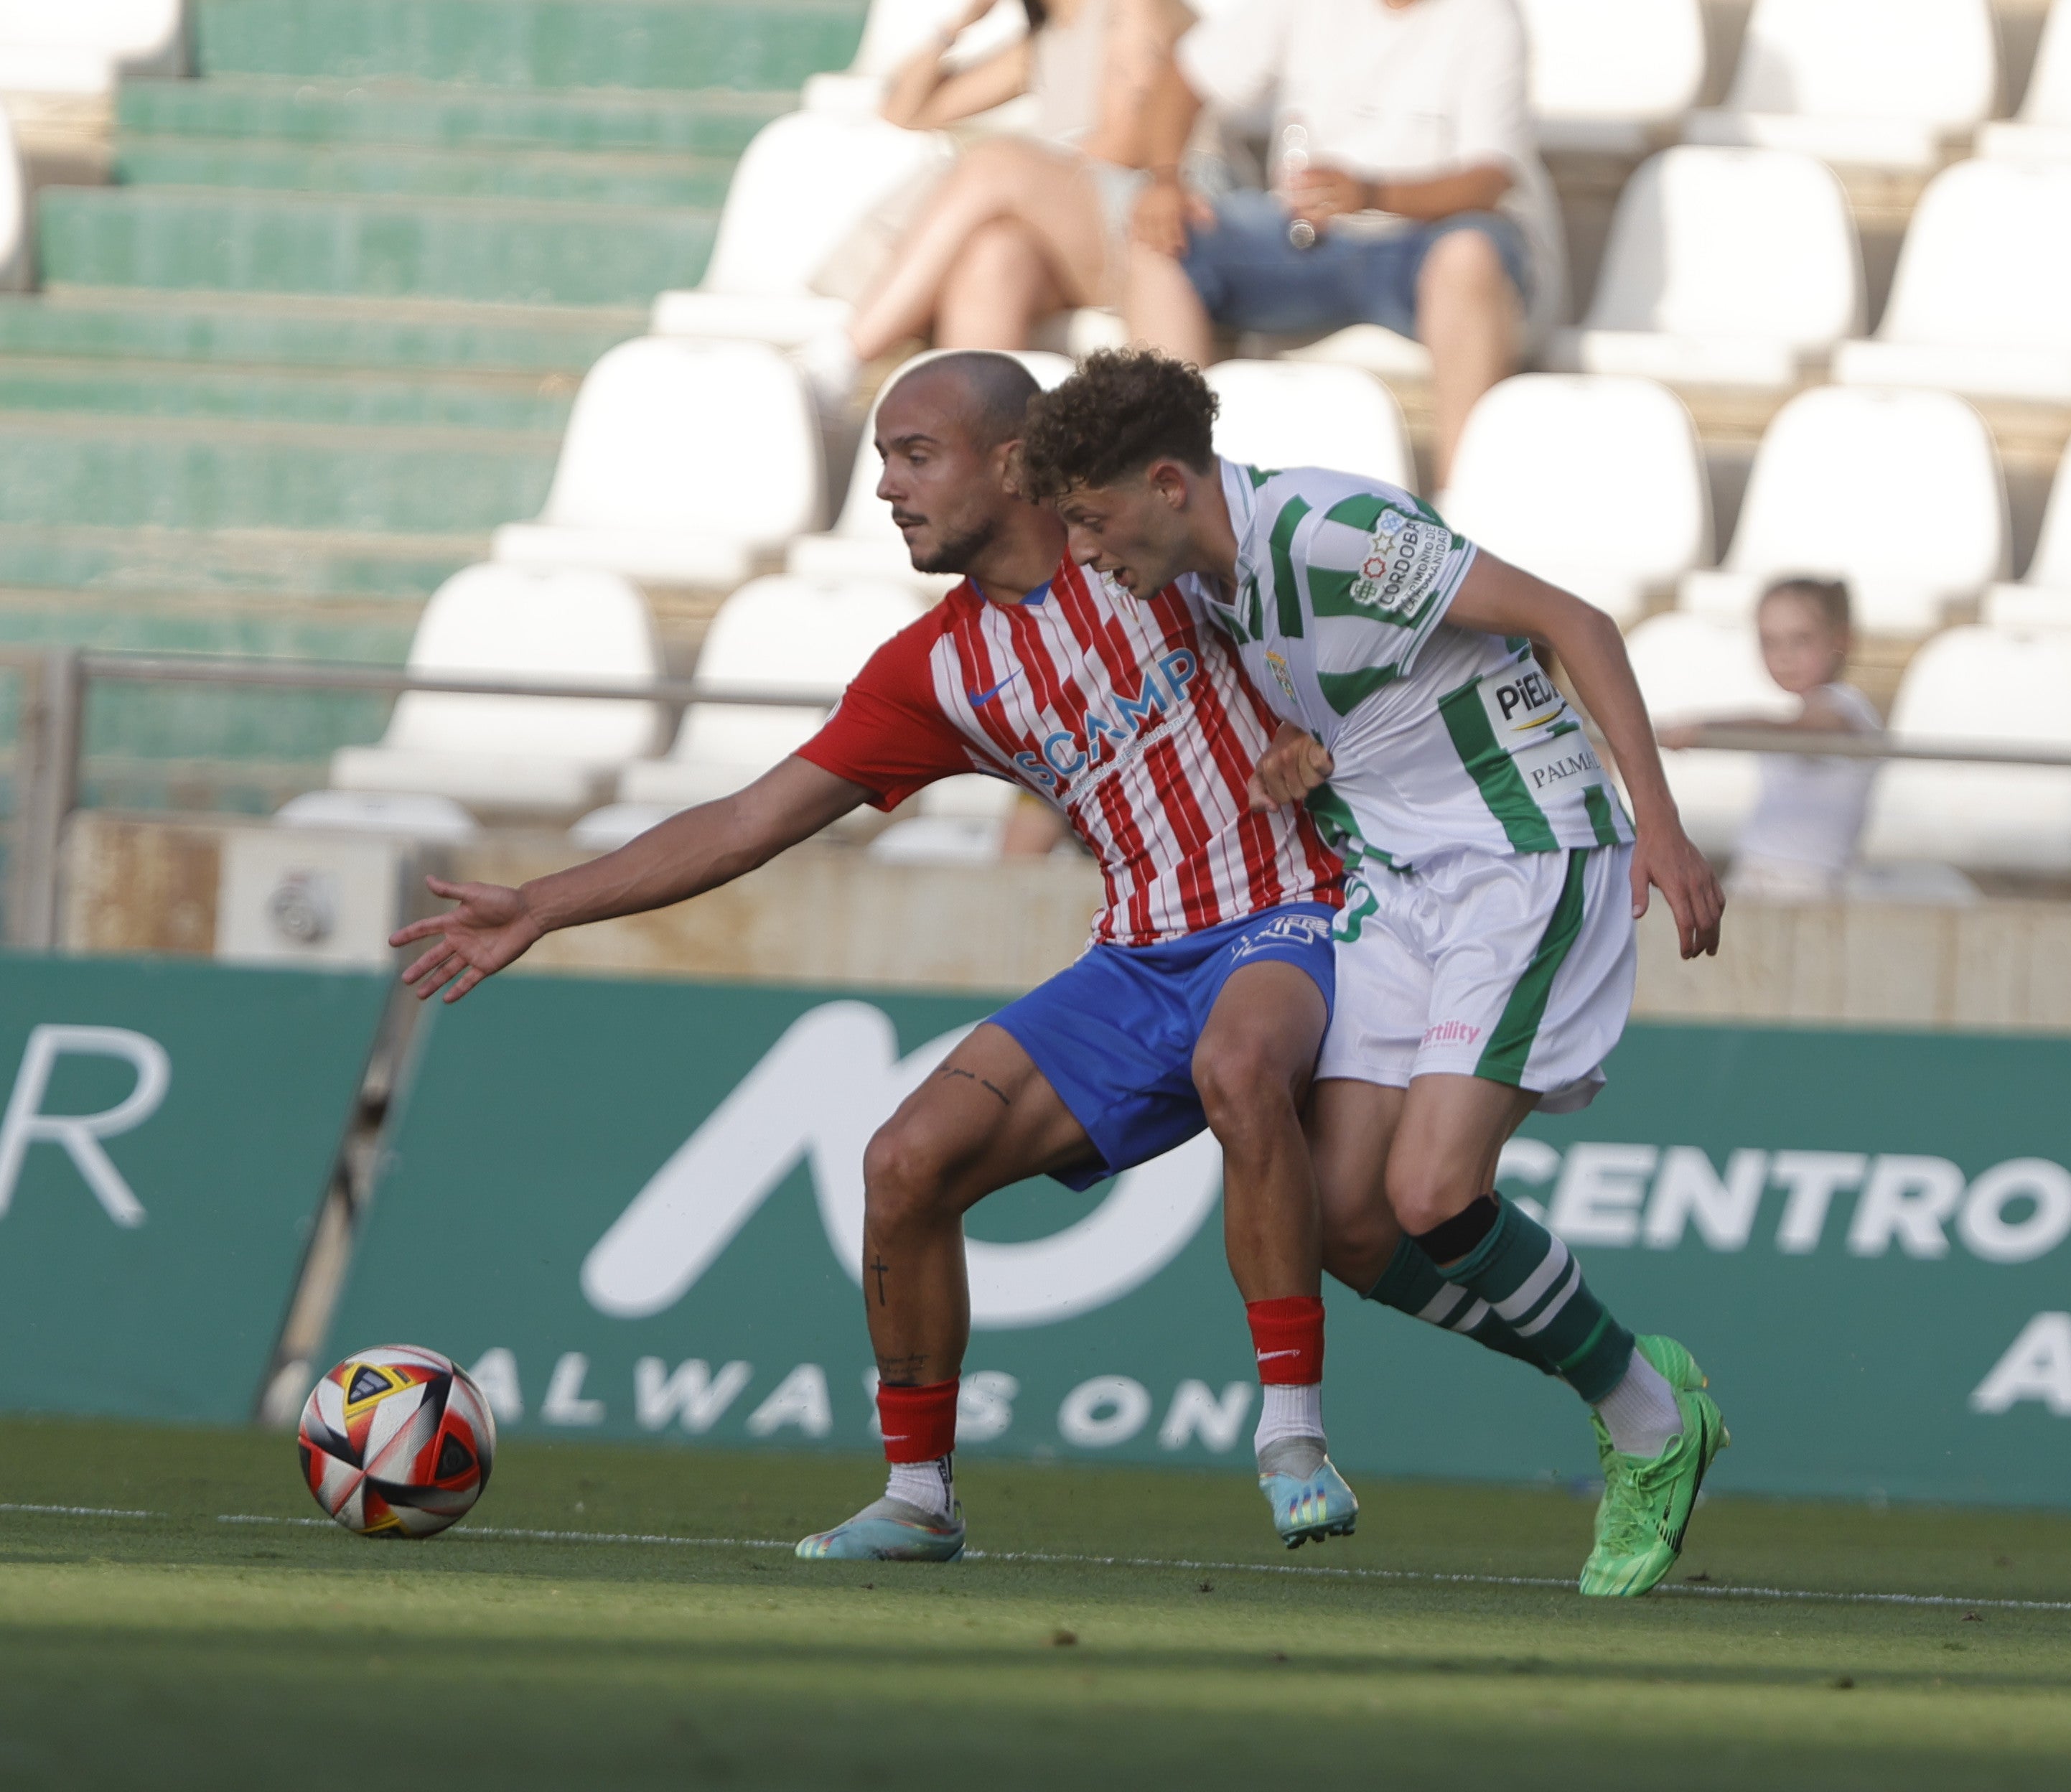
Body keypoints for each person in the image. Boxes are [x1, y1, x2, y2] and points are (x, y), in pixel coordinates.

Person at [391, 353, 1366, 1562]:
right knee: (905, 1162)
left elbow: (1346, 624)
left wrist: (1330, 746)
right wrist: (542, 903)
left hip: (1296, 911)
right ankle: (918, 1495)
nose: (889, 491)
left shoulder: (1144, 538)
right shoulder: (936, 670)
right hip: (1135, 958)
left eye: (915, 456)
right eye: (881, 463)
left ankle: (1290, 1437)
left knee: (1239, 1068)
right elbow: (749, 818)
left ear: (1011, 460)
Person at [1019, 349, 1731, 1598]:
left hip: (1520, 854)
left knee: (1431, 1191)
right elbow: (1363, 693)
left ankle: (1645, 1420)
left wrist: (1658, 825)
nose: (1082, 550)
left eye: (1090, 517)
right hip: (1395, 887)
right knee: (1346, 1221)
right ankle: (1626, 1383)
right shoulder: (1210, 578)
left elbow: (1576, 622)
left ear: (1169, 483)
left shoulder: (1330, 532)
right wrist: (1301, 755)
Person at [1122, 0, 1561, 472]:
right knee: (1160, 242)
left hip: (1428, 245)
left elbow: (1488, 181)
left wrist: (1371, 192)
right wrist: (1165, 179)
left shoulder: (1487, 16)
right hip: (1306, 237)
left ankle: (1463, 512)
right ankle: (1168, 491)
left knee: (1468, 256)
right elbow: (1184, 76)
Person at [843, 0, 1197, 360]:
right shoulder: (1040, 45)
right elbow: (904, 113)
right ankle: (977, 413)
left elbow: (1129, 144)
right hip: (1079, 233)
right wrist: (958, 24)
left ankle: (846, 355)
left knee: (992, 164)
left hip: (1157, 217)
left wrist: (1026, 179)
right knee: (993, 256)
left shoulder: (1128, 9)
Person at [1660, 579, 1881, 903]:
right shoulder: (1799, 710)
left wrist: (1707, 728)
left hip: (1807, 890)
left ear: (1841, 641)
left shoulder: (1846, 707)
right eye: (1770, 642)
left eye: (1801, 640)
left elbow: (1796, 728)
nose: (1784, 657)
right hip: (1752, 876)